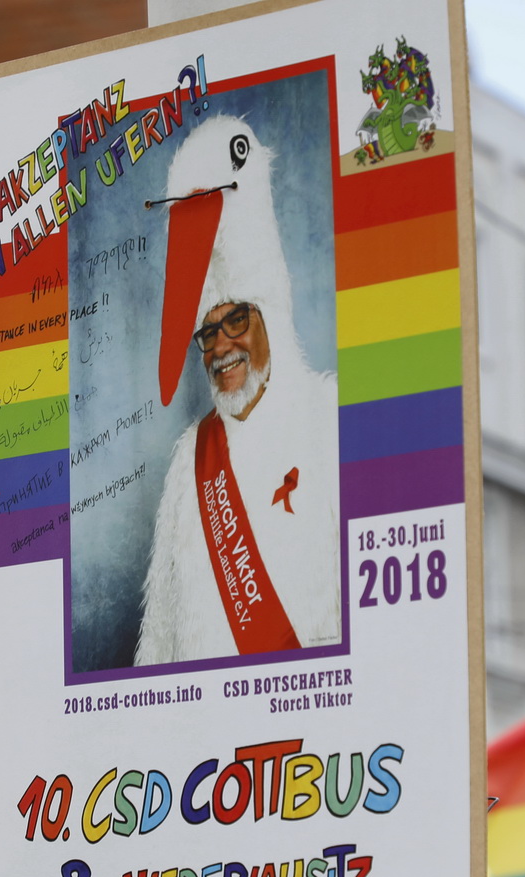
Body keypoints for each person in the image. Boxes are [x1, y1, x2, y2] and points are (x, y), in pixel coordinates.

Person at [135, 117, 341, 666]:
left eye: (236, 320)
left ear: (270, 317)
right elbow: (159, 638)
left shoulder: (330, 421)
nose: (221, 346)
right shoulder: (191, 461)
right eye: (207, 332)